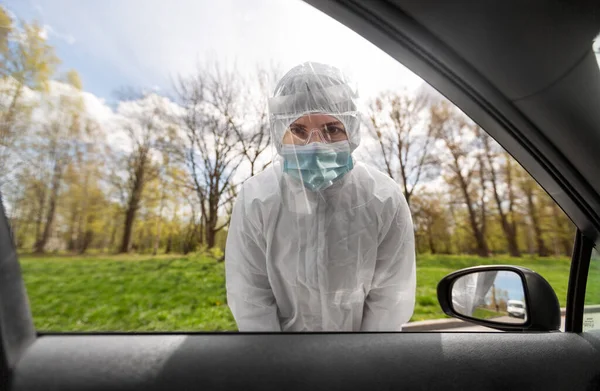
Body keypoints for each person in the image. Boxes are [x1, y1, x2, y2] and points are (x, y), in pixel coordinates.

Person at [225, 62, 416, 332]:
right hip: (281, 359)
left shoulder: (383, 197)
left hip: (360, 360)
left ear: (352, 131)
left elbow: (389, 296)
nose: (315, 144)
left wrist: (369, 361)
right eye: (298, 130)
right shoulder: (257, 197)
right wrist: (274, 363)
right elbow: (250, 295)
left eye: (332, 129)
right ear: (279, 134)